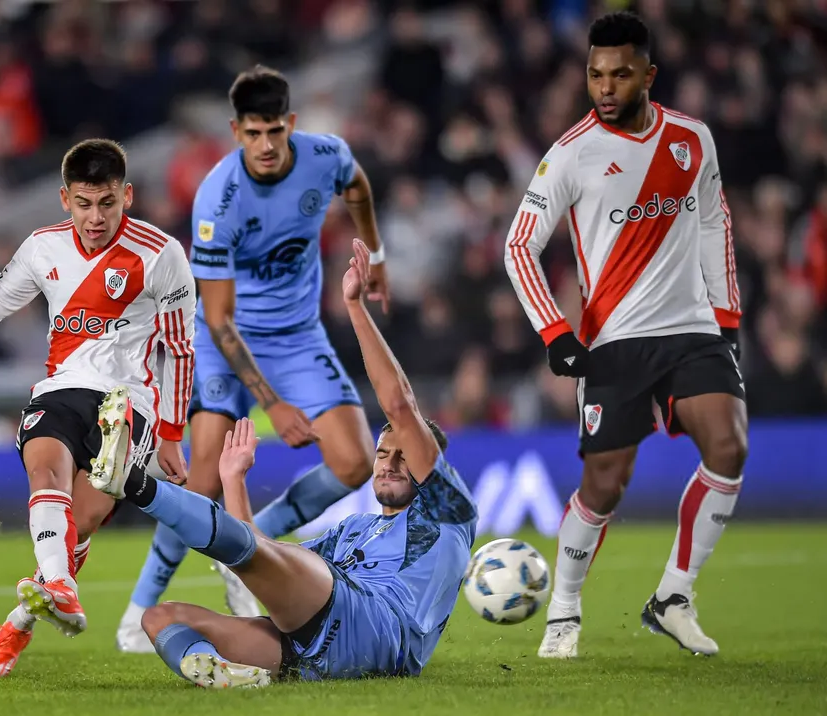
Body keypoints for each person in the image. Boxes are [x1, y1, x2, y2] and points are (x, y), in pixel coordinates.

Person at [91, 238, 476, 687]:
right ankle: (219, 673)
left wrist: (355, 307)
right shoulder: (354, 529)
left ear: (430, 467)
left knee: (275, 557)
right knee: (161, 618)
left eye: (404, 456)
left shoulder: (448, 510)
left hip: (378, 628)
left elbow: (399, 404)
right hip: (317, 655)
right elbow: (257, 558)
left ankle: (133, 483)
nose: (388, 464)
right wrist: (233, 480)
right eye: (382, 453)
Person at [117, 65, 392, 650]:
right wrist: (274, 403)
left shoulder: (326, 155)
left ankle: (251, 540)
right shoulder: (218, 198)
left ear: (290, 123)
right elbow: (218, 318)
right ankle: (139, 608)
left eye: (274, 131)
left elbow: (358, 187)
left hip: (297, 338)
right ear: (235, 131)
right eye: (252, 133)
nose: (265, 145)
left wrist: (376, 254)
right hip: (225, 341)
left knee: (355, 462)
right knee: (200, 481)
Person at [503, 11, 747, 660]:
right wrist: (556, 333)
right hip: (614, 340)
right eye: (595, 75)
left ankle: (674, 597)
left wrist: (727, 318)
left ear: (648, 74)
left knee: (729, 446)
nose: (605, 87)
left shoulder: (692, 139)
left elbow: (714, 224)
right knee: (605, 483)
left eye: (620, 74)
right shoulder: (571, 153)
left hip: (692, 328)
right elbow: (519, 246)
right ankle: (563, 610)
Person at [0, 138, 197, 678]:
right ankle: (61, 590)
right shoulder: (43, 247)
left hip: (129, 401)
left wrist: (171, 434)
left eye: (107, 203)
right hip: (62, 388)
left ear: (127, 196)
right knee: (45, 470)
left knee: (82, 521)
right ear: (65, 199)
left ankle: (20, 622)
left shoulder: (161, 254)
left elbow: (181, 349)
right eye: (84, 204)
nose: (96, 217)